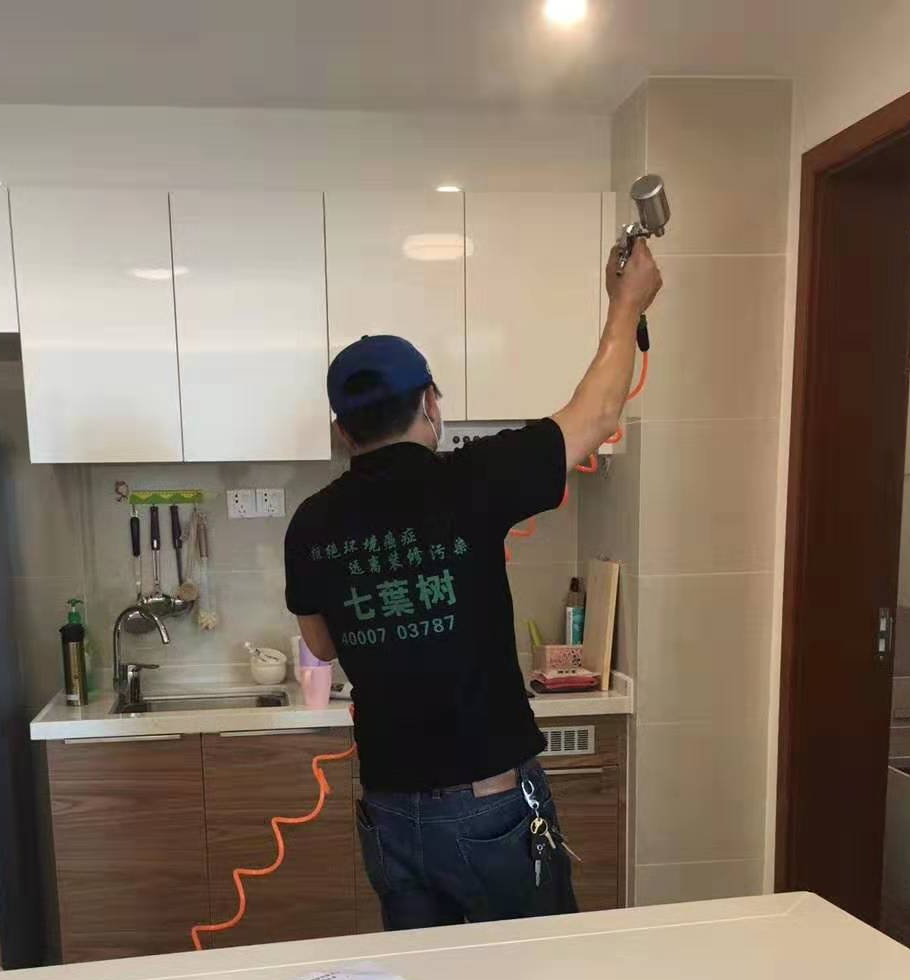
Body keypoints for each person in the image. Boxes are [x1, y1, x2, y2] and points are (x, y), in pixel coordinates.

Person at [284, 241, 662, 930]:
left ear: (341, 430)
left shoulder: (311, 523)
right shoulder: (474, 478)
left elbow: (323, 645)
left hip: (390, 812)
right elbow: (598, 413)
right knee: (534, 973)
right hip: (490, 806)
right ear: (430, 403)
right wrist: (625, 304)